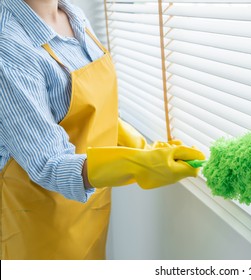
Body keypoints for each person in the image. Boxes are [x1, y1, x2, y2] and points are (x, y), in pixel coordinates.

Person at [0, 0, 205, 260]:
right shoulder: (7, 45)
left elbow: (96, 109)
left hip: (90, 211)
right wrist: (137, 164)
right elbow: (47, 164)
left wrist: (142, 148)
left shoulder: (73, 16)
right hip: (37, 228)